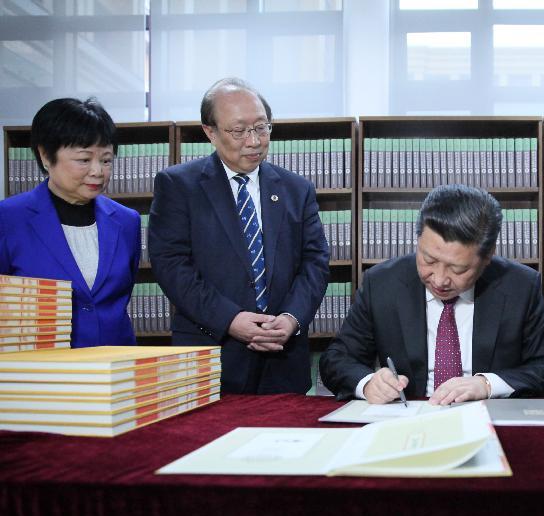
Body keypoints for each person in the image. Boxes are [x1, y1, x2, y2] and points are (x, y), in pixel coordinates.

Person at [149, 77, 329, 394]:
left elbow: (315, 262)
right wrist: (230, 319)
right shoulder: (179, 186)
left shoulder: (296, 189)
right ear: (210, 132)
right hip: (210, 354)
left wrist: (290, 319)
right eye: (238, 131)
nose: (254, 141)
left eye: (262, 128)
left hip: (282, 356)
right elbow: (171, 265)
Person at [320, 184, 544, 404]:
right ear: (418, 240)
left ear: (488, 255)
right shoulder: (382, 282)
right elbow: (337, 359)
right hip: (408, 417)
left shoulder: (519, 286)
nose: (439, 280)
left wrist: (488, 384)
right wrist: (368, 383)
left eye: (458, 269)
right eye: (428, 260)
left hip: (486, 416)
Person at [0, 98, 140, 348]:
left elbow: (120, 296)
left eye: (106, 160)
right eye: (84, 160)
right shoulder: (9, 219)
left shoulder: (126, 222)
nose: (97, 171)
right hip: (40, 373)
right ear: (45, 155)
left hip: (113, 369)